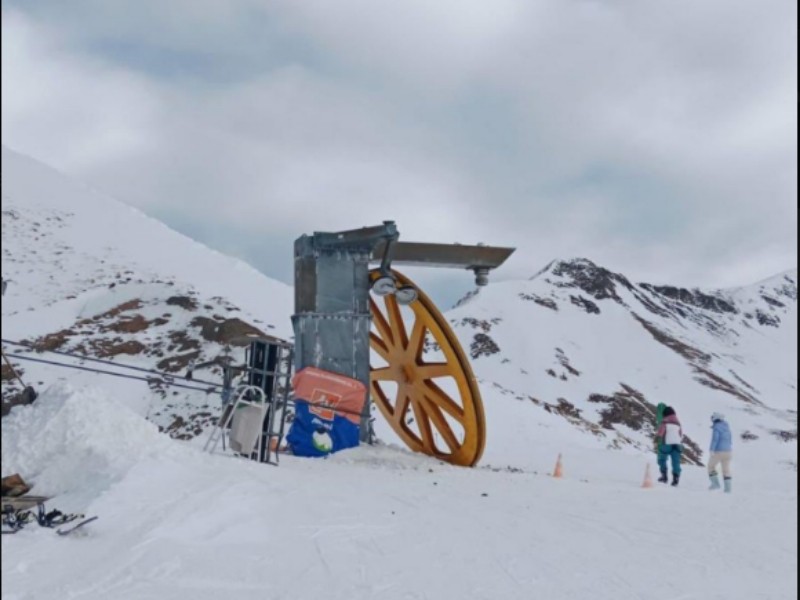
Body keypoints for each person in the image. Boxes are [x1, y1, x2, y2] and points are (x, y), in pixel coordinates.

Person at [655, 406, 683, 486]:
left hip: (666, 444)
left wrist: (657, 439)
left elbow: (660, 433)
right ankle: (675, 478)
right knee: (676, 462)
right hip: (677, 445)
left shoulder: (664, 422)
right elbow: (680, 434)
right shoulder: (678, 423)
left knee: (662, 459)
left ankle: (664, 476)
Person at [708, 412, 733, 493]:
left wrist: (712, 449)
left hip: (719, 451)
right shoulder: (727, 427)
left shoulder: (717, 427)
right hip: (728, 451)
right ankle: (728, 489)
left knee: (711, 466)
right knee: (726, 470)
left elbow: (715, 439)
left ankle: (715, 484)